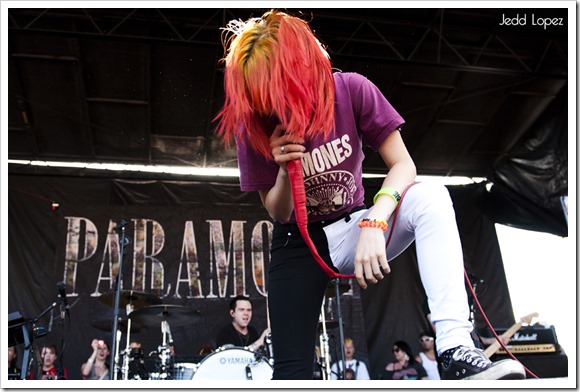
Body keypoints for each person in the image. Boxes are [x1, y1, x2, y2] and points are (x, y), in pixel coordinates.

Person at [214, 9, 526, 380]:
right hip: (298, 242)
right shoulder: (255, 126)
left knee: (431, 196)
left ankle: (455, 347)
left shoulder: (350, 89)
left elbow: (404, 166)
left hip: (356, 224)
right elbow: (278, 212)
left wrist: (376, 220)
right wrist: (283, 168)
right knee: (291, 374)